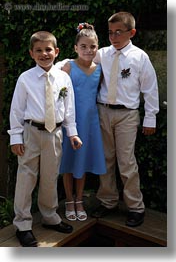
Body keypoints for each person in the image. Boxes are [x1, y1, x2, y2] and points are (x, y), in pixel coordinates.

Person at [8, 31, 82, 247]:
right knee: (26, 177)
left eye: (48, 49)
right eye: (38, 50)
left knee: (50, 177)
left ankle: (50, 216)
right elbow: (17, 110)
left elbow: (69, 109)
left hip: (54, 134)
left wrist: (72, 133)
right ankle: (22, 223)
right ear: (32, 53)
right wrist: (15, 137)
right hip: (31, 132)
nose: (44, 54)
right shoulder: (25, 78)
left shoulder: (63, 78)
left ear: (56, 51)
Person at [91, 12, 159, 227]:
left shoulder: (140, 57)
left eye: (118, 32)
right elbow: (81, 58)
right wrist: (85, 32)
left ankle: (135, 207)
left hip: (127, 115)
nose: (113, 37)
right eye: (110, 32)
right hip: (103, 111)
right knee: (105, 159)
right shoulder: (102, 53)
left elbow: (150, 89)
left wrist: (150, 118)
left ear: (132, 32)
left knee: (126, 162)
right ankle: (108, 201)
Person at [56, 23, 106, 222]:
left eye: (92, 46)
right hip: (71, 121)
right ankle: (68, 199)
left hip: (90, 123)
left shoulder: (100, 69)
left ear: (97, 47)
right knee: (68, 161)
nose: (88, 50)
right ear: (76, 48)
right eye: (83, 46)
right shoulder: (68, 66)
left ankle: (79, 199)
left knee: (83, 160)